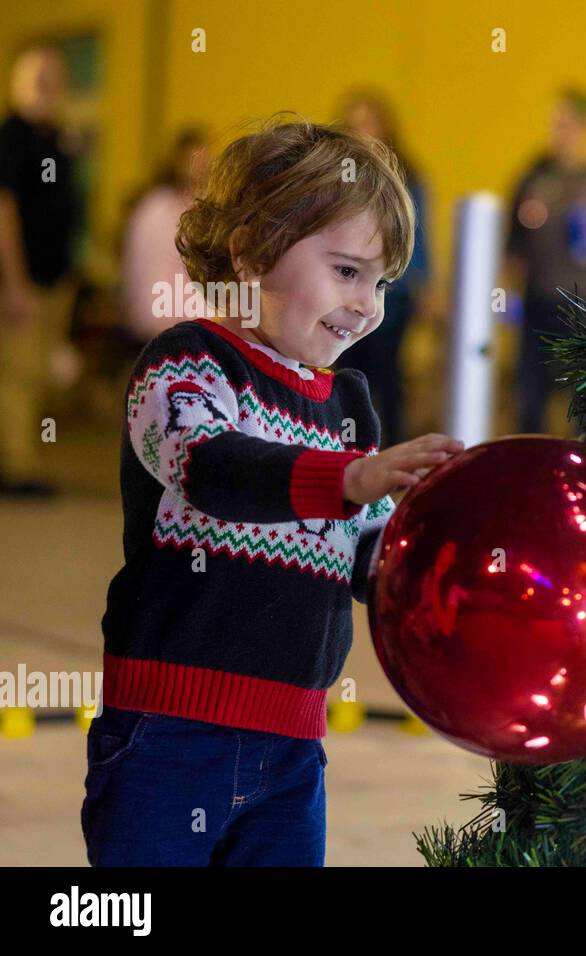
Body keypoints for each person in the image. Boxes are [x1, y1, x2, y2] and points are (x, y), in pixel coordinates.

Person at [83, 118, 463, 866]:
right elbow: (213, 468)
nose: (368, 306)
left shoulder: (349, 403)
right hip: (168, 734)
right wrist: (348, 480)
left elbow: (374, 558)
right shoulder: (187, 364)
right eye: (348, 271)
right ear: (252, 252)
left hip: (295, 746)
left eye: (382, 282)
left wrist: (450, 575)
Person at [504, 88, 586, 434]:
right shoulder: (532, 179)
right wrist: (504, 302)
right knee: (530, 400)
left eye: (568, 124)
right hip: (538, 304)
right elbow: (513, 248)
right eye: (555, 124)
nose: (560, 133)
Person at [0, 44, 79, 497]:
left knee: (40, 375)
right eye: (38, 78)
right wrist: (15, 283)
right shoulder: (11, 136)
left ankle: (24, 459)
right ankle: (17, 471)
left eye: (55, 78)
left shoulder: (58, 138)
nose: (49, 87)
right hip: (22, 280)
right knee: (20, 375)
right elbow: (5, 210)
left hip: (54, 278)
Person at [336, 90, 432, 445]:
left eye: (369, 123)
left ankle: (392, 444)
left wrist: (423, 287)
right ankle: (347, 446)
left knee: (388, 375)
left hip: (394, 294)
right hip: (345, 293)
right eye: (355, 124)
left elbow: (419, 237)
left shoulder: (407, 177)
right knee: (347, 374)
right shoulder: (337, 177)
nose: (362, 132)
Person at [120, 126, 211, 345]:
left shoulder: (192, 205)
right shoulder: (157, 208)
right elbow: (155, 272)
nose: (202, 167)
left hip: (172, 311)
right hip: (161, 315)